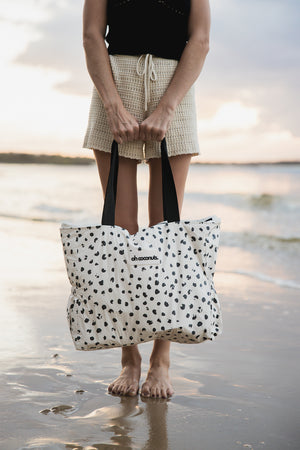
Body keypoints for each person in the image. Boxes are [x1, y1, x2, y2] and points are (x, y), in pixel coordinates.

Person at [82, 0, 211, 399]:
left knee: (166, 232)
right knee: (121, 232)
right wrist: (113, 105)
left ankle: (161, 359)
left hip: (174, 86)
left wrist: (167, 107)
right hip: (114, 83)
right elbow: (91, 36)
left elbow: (200, 40)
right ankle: (129, 357)